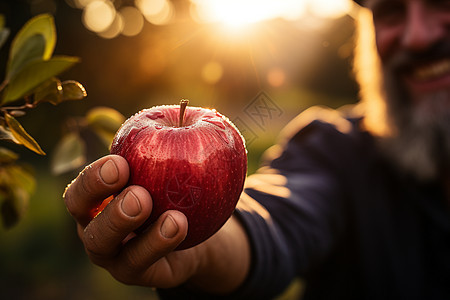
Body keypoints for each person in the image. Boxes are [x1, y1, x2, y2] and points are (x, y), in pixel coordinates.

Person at [63, 0, 450, 299]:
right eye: (392, 10)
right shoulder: (337, 153)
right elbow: (277, 216)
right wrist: (198, 245)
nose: (417, 35)